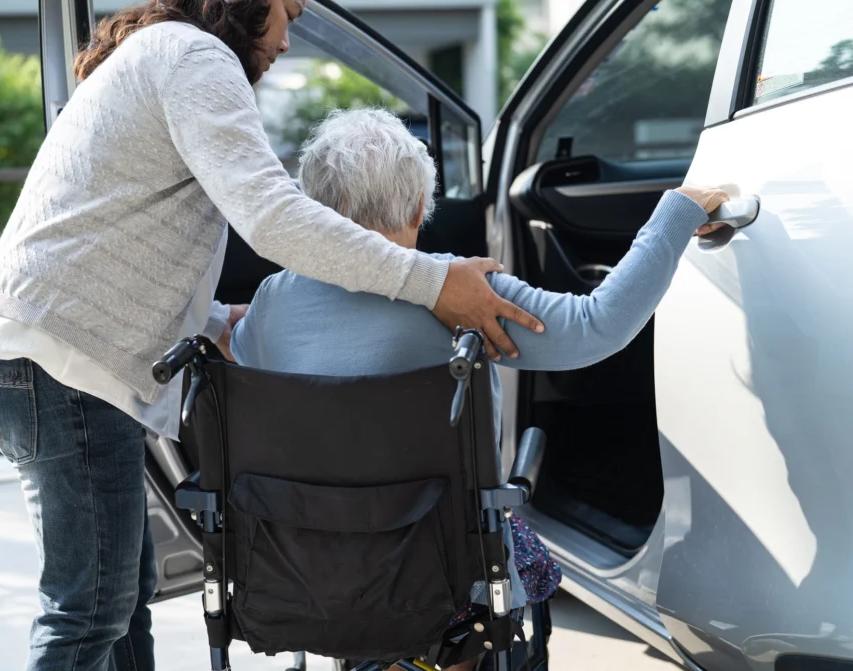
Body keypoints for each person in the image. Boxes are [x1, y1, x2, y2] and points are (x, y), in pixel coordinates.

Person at [0, 0, 546, 669]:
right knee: (88, 610)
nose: (288, 40)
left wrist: (212, 319)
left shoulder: (167, 52)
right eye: (291, 13)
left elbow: (125, 227)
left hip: (47, 359)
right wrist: (434, 280)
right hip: (60, 368)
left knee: (120, 602)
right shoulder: (195, 56)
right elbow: (272, 219)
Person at [230, 108, 729, 666]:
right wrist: (676, 213)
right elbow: (598, 326)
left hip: (307, 568)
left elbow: (244, 363)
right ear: (421, 207)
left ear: (314, 208)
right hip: (448, 579)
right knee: (527, 556)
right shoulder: (459, 293)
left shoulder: (275, 301)